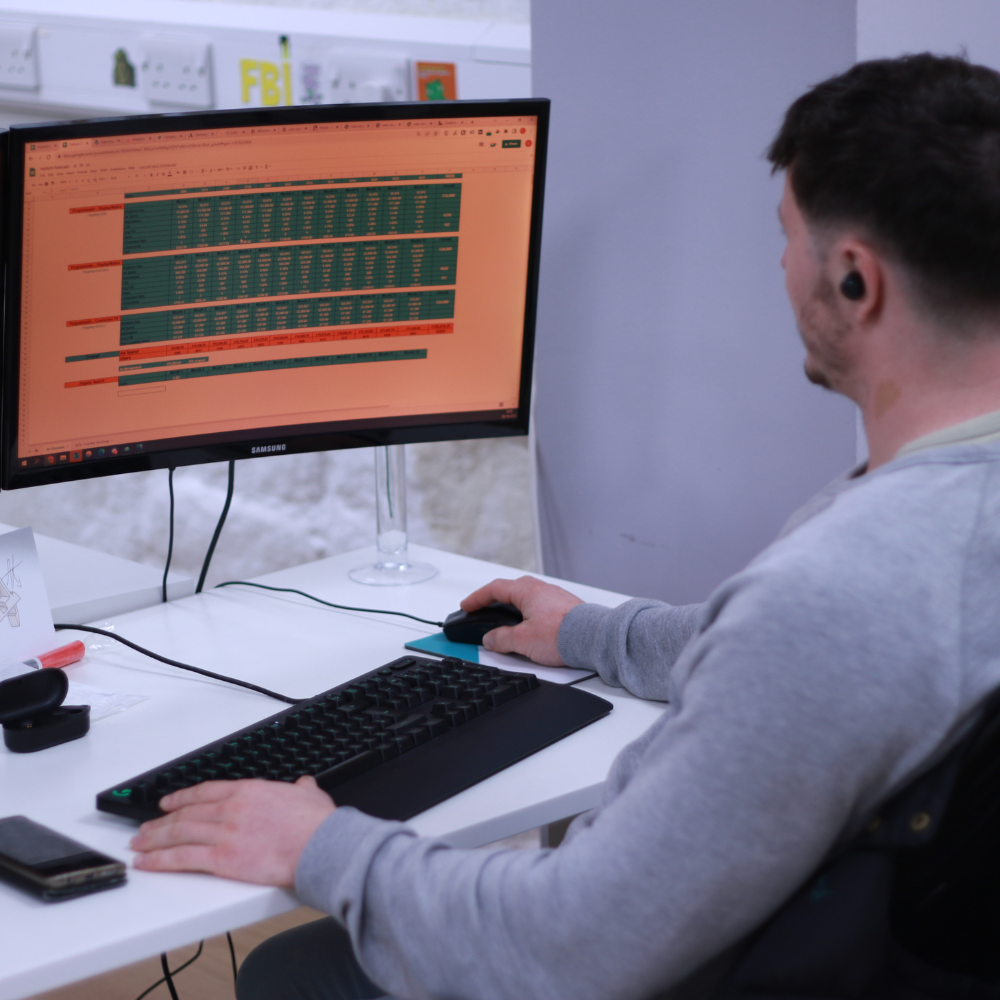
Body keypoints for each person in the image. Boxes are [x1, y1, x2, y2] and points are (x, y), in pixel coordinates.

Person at [129, 53, 1000, 998]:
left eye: (786, 236)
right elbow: (835, 647)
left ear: (855, 279)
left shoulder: (837, 593)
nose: (780, 265)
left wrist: (320, 845)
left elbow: (566, 950)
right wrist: (591, 630)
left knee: (301, 974)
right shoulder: (937, 513)